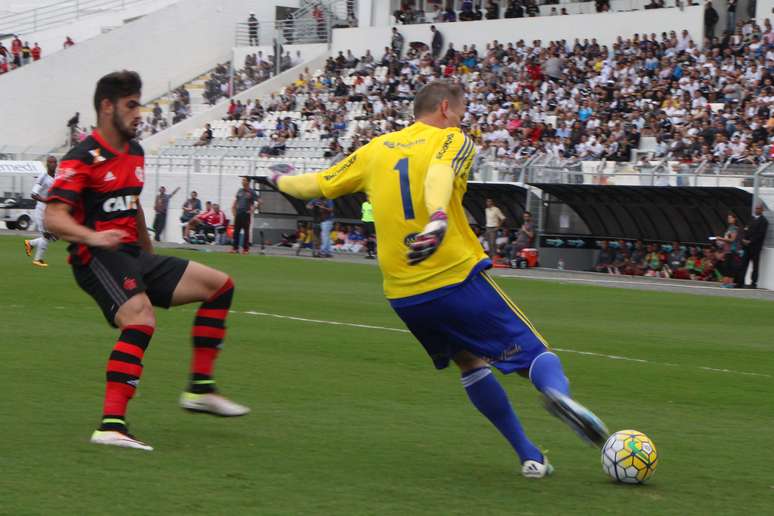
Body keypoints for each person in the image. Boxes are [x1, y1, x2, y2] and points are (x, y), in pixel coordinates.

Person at [269, 81, 608, 478]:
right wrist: (438, 216)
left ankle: (529, 455)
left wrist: (281, 179)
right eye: (461, 112)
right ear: (446, 108)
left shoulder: (376, 148)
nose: (462, 120)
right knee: (535, 354)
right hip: (453, 276)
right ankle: (557, 394)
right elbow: (439, 173)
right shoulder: (452, 139)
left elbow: (320, 184)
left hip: (404, 294)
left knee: (469, 362)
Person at [44, 71, 248, 452]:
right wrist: (93, 236)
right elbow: (53, 217)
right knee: (140, 318)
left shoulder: (134, 152)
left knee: (220, 286)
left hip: (132, 256)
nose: (140, 113)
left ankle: (200, 388)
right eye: (132, 105)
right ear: (108, 107)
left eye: (141, 104)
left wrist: (148, 254)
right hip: (94, 256)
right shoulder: (81, 157)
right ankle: (111, 424)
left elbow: (132, 202)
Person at [24, 156, 58, 268]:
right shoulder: (42, 177)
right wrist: (46, 200)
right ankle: (38, 260)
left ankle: (30, 243)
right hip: (41, 209)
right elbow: (33, 194)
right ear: (47, 164)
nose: (53, 164)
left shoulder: (57, 177)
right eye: (50, 162)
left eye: (54, 162)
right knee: (47, 235)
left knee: (55, 236)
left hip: (51, 210)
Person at [741, 204, 769, 288]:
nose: (756, 210)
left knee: (755, 266)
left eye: (758, 209)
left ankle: (754, 283)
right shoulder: (751, 219)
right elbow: (746, 230)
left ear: (762, 210)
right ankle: (741, 281)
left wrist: (750, 241)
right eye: (756, 208)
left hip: (755, 248)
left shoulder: (764, 221)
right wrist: (744, 239)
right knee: (743, 264)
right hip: (747, 247)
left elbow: (760, 234)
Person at [231, 177, 259, 254]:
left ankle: (245, 249)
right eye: (242, 180)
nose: (242, 181)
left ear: (248, 182)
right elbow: (236, 200)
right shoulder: (239, 190)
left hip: (246, 214)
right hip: (238, 213)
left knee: (246, 232)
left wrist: (252, 210)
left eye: (244, 180)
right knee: (236, 231)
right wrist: (233, 208)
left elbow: (259, 201)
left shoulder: (252, 192)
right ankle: (235, 248)